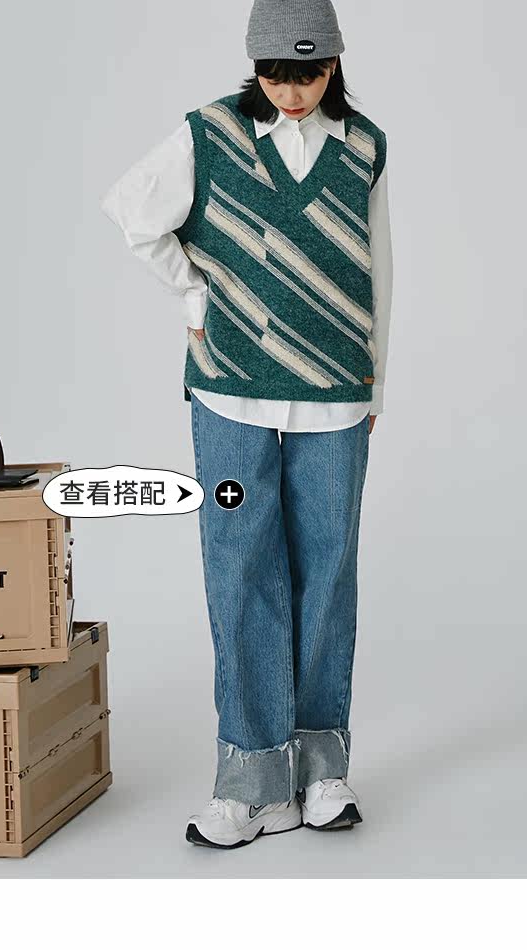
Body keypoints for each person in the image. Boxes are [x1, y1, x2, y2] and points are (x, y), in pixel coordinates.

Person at [101, 0, 393, 849]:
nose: (292, 91)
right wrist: (196, 299)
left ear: (334, 64)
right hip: (230, 396)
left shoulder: (366, 147)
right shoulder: (210, 134)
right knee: (239, 567)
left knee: (328, 572)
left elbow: (380, 269)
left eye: (309, 73)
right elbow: (132, 210)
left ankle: (321, 771)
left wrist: (377, 383)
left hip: (336, 393)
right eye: (275, 74)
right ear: (254, 66)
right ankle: (249, 781)